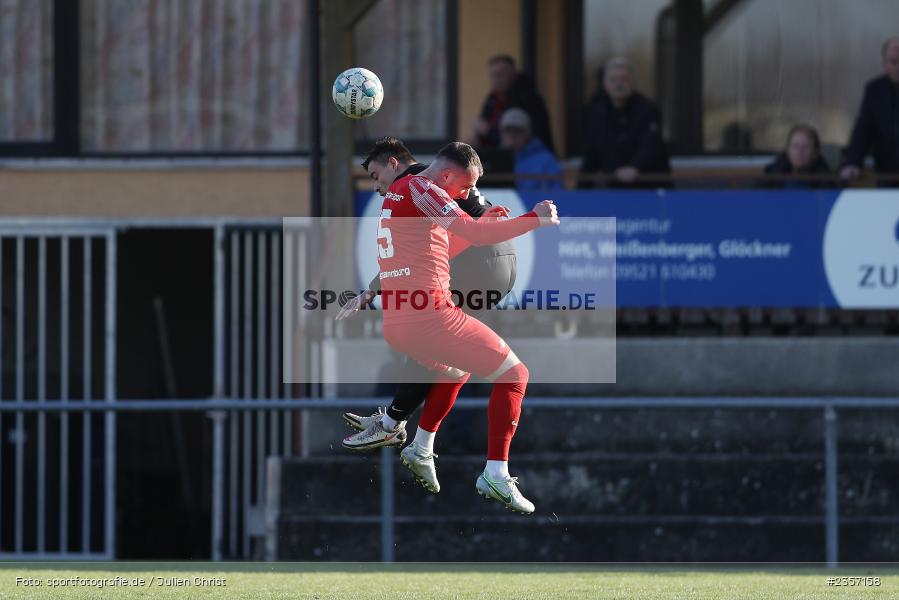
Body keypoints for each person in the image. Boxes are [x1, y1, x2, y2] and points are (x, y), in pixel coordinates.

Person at [351, 142, 558, 514]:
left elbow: (444, 243)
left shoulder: (399, 195)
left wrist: (484, 221)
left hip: (401, 322)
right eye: (464, 187)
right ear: (446, 176)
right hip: (431, 317)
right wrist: (534, 219)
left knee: (456, 369)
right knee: (515, 374)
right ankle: (496, 472)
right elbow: (473, 237)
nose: (466, 195)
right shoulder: (423, 188)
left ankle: (419, 446)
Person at [340, 137, 517, 458]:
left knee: (427, 337)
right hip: (491, 260)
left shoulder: (420, 184)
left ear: (394, 164)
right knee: (446, 354)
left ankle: (396, 424)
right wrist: (371, 290)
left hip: (477, 259)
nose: (377, 186)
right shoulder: (419, 184)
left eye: (377, 176)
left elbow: (470, 222)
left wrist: (516, 220)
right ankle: (414, 439)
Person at [579, 57, 670, 187]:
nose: (618, 84)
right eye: (613, 80)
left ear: (633, 82)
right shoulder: (597, 112)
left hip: (648, 186)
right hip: (614, 188)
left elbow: (651, 146)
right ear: (605, 84)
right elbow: (591, 154)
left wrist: (634, 167)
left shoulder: (648, 110)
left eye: (623, 79)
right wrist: (581, 192)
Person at [840, 37, 899, 184]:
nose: (898, 67)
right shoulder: (875, 90)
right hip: (887, 172)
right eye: (894, 62)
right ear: (885, 63)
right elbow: (864, 128)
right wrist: (853, 162)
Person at [471, 55, 554, 153]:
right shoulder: (492, 99)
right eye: (493, 75)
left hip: (529, 158)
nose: (497, 79)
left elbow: (516, 139)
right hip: (499, 154)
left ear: (513, 75)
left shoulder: (528, 99)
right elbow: (484, 128)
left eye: (501, 74)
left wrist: (488, 132)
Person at [499, 108, 564, 192]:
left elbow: (558, 193)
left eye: (518, 131)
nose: (512, 136)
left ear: (528, 133)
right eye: (508, 131)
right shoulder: (494, 159)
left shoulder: (546, 160)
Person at [762, 125, 832, 188]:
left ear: (815, 153)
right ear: (787, 150)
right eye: (795, 146)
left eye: (805, 147)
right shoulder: (772, 176)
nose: (799, 152)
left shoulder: (826, 180)